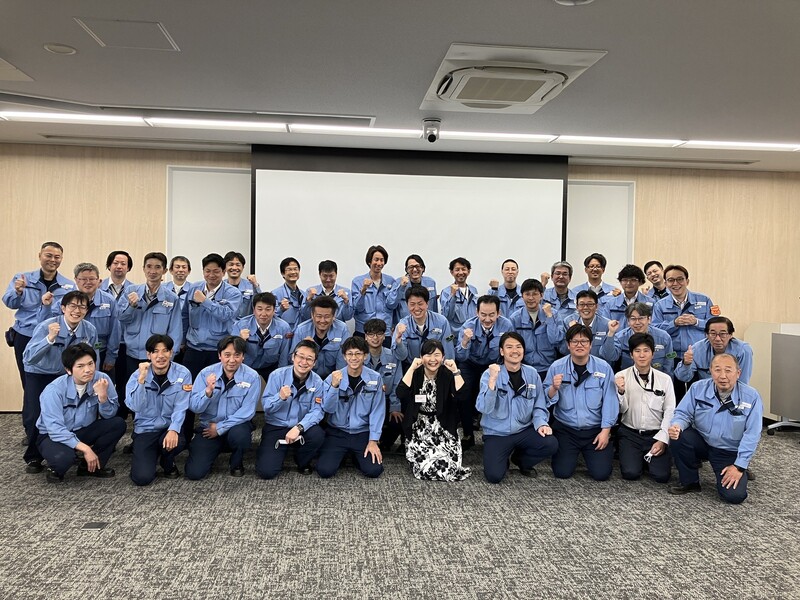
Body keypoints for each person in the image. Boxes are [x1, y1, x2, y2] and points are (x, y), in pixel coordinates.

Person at [668, 354, 763, 504]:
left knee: (734, 496)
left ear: (738, 373)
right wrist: (677, 425)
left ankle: (740, 470)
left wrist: (739, 466)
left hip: (728, 451)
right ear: (711, 371)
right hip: (703, 442)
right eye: (717, 370)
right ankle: (689, 481)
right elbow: (683, 413)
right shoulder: (697, 388)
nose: (723, 376)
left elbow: (752, 434)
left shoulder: (751, 397)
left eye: (728, 370)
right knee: (678, 435)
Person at [22, 290, 98, 473]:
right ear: (63, 308)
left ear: (86, 311)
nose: (77, 310)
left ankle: (65, 447)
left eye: (82, 307)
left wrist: (94, 379)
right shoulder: (47, 326)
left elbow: (94, 358)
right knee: (35, 415)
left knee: (70, 412)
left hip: (69, 376)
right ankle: (34, 456)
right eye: (73, 306)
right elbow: (28, 357)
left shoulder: (89, 330)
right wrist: (49, 339)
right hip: (41, 373)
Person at [35, 343, 126, 482]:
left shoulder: (102, 380)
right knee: (63, 459)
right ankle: (55, 466)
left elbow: (109, 415)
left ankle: (89, 467)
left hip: (82, 430)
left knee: (118, 424)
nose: (88, 370)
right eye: (80, 366)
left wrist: (102, 397)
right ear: (68, 370)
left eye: (91, 364)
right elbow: (55, 429)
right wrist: (86, 449)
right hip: (53, 435)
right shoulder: (53, 390)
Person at [476, 332, 558, 483]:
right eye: (509, 347)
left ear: (524, 350)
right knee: (494, 476)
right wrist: (493, 381)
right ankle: (502, 460)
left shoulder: (532, 373)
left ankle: (521, 460)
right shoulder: (489, 374)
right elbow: (483, 408)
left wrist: (541, 424)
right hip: (497, 433)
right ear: (502, 351)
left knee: (550, 443)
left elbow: (539, 405)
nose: (515, 351)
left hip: (523, 430)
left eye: (518, 347)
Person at [545, 324, 619, 481]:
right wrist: (553, 388)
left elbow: (610, 401)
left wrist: (606, 431)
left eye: (584, 341)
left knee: (601, 474)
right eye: (575, 341)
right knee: (562, 473)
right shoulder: (556, 367)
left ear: (591, 344)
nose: (580, 345)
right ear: (568, 345)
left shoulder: (604, 368)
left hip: (595, 430)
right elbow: (544, 399)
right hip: (566, 429)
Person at [117, 252, 183, 416]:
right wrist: (131, 306)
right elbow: (121, 318)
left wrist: (170, 355)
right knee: (133, 391)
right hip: (133, 354)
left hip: (157, 356)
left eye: (157, 267)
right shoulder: (131, 291)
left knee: (154, 393)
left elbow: (175, 329)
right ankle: (134, 426)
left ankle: (152, 424)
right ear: (143, 269)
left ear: (165, 270)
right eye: (149, 267)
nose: (153, 271)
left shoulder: (171, 298)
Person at [185, 336, 260, 479]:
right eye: (227, 355)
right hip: (208, 428)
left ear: (243, 356)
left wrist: (220, 428)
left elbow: (247, 412)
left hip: (235, 426)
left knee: (241, 435)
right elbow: (195, 407)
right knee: (194, 473)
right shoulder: (205, 373)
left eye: (237, 355)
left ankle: (236, 462)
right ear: (219, 355)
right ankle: (212, 451)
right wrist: (208, 392)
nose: (232, 360)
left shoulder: (252, 377)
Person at [3, 241, 75, 389]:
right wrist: (17, 292)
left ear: (61, 259)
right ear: (39, 256)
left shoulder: (68, 285)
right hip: (26, 335)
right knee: (28, 380)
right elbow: (9, 303)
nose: (53, 260)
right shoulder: (23, 279)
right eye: (48, 255)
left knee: (54, 380)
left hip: (54, 336)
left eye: (57, 257)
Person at [396, 340, 470, 481]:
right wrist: (411, 368)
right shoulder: (416, 373)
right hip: (420, 426)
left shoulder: (447, 374)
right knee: (425, 470)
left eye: (437, 355)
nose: (432, 359)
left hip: (443, 425)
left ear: (443, 357)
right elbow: (401, 393)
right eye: (428, 355)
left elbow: (463, 396)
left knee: (449, 470)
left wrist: (456, 372)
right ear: (421, 357)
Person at [125, 334, 191, 485]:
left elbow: (181, 406)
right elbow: (134, 407)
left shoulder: (183, 373)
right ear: (148, 355)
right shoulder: (137, 375)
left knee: (179, 442)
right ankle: (152, 455)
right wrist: (141, 380)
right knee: (142, 478)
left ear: (171, 352)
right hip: (146, 429)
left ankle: (167, 461)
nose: (161, 356)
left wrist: (174, 429)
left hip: (169, 427)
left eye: (165, 350)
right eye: (155, 351)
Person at [256, 340, 326, 478]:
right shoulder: (277, 375)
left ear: (314, 363)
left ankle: (301, 460)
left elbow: (317, 411)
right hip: (277, 425)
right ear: (293, 357)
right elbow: (267, 407)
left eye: (309, 359)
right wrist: (280, 398)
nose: (304, 362)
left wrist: (299, 427)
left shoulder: (318, 382)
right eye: (300, 356)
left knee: (318, 435)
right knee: (266, 472)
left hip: (302, 426)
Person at [318, 337, 386, 478]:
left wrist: (373, 441)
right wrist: (334, 387)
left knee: (374, 471)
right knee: (325, 471)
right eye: (350, 354)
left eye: (358, 353)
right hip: (337, 432)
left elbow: (377, 411)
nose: (354, 358)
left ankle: (355, 457)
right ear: (344, 356)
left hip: (362, 433)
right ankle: (344, 455)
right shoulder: (333, 377)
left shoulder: (375, 378)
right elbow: (328, 408)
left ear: (365, 356)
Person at [613, 333, 675, 483]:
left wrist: (662, 439)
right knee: (630, 473)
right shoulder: (621, 376)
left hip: (655, 434)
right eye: (637, 351)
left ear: (653, 354)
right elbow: (620, 411)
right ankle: (638, 458)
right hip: (630, 433)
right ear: (631, 354)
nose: (642, 355)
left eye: (646, 351)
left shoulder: (665, 379)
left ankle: (650, 458)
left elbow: (670, 411)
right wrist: (621, 392)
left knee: (661, 477)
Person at [455, 295, 514, 450]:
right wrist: (465, 341)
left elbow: (510, 350)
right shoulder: (468, 326)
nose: (487, 319)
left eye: (491, 315)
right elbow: (460, 357)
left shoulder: (506, 325)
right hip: (470, 363)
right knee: (463, 393)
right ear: (477, 312)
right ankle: (468, 434)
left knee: (497, 393)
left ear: (498, 313)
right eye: (483, 314)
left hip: (495, 364)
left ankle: (492, 434)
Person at [652, 265, 716, 399]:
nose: (675, 283)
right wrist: (674, 323)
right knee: (675, 396)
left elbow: (716, 325)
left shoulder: (704, 300)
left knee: (702, 395)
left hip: (700, 356)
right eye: (671, 280)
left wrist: (697, 322)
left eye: (680, 279)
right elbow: (655, 330)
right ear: (666, 283)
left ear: (687, 281)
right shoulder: (660, 305)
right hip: (673, 357)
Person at [182, 253, 242, 377]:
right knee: (189, 384)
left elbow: (226, 315)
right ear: (203, 271)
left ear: (223, 272)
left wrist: (205, 301)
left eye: (216, 271)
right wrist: (182, 341)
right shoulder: (194, 288)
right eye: (207, 271)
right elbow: (185, 316)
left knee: (215, 385)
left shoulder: (233, 293)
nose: (211, 275)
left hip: (217, 351)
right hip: (193, 349)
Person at [69, 262, 120, 375]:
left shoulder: (109, 301)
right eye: (83, 279)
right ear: (76, 280)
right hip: (73, 355)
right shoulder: (66, 301)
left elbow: (115, 331)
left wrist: (111, 357)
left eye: (92, 279)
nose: (88, 282)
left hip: (101, 353)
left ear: (98, 280)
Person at [230, 291, 291, 382]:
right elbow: (232, 352)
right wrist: (240, 340)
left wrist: (281, 378)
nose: (263, 313)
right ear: (254, 310)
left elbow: (284, 356)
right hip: (247, 368)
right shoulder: (241, 325)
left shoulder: (283, 327)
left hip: (271, 368)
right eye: (259, 309)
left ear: (274, 310)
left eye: (268, 309)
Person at [362, 319, 403, 453]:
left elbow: (397, 383)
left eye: (379, 334)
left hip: (386, 400)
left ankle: (385, 443)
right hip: (364, 402)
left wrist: (395, 407)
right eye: (371, 334)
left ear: (384, 336)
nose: (375, 338)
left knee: (397, 420)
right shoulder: (359, 357)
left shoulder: (393, 356)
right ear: (365, 337)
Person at [601, 302, 675, 376]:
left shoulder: (664, 337)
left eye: (641, 318)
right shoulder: (620, 338)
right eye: (633, 319)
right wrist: (611, 333)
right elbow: (609, 356)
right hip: (628, 379)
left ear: (649, 319)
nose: (637, 322)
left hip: (657, 379)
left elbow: (669, 362)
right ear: (628, 321)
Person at [675, 316, 753, 385]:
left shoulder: (743, 350)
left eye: (722, 334)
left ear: (730, 335)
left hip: (733, 391)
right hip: (706, 391)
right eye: (713, 334)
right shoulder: (697, 349)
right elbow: (683, 378)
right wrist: (686, 363)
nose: (717, 339)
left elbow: (743, 382)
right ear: (706, 335)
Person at [508, 278, 561, 381]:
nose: (531, 298)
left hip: (549, 367)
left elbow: (555, 340)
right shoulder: (515, 318)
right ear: (522, 296)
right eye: (527, 294)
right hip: (524, 368)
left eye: (535, 294)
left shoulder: (553, 314)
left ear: (542, 295)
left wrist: (549, 317)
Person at [392, 285, 454, 368]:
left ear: (427, 304)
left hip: (436, 367)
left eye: (420, 304)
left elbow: (448, 347)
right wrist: (398, 341)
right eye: (412, 304)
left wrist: (448, 370)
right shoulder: (402, 326)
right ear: (407, 305)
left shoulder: (442, 322)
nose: (416, 308)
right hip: (412, 367)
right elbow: (401, 357)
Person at [291, 295, 349, 379]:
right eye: (318, 316)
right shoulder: (301, 330)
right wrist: (304, 347)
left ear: (334, 316)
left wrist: (337, 382)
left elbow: (343, 361)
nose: (322, 320)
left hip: (333, 377)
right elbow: (292, 359)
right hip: (307, 377)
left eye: (327, 316)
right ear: (312, 315)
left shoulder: (342, 329)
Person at [351, 244, 396, 340]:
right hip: (363, 332)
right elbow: (356, 308)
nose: (379, 263)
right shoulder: (357, 281)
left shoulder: (391, 281)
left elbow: (394, 306)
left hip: (384, 333)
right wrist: (363, 290)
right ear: (369, 261)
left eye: (382, 260)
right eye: (376, 259)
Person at [558, 290, 616, 359]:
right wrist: (572, 332)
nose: (585, 308)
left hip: (600, 364)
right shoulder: (568, 321)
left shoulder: (607, 325)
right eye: (582, 304)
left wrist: (610, 334)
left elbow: (610, 355)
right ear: (577, 307)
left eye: (590, 304)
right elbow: (563, 351)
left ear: (596, 306)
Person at [598, 264, 652, 330]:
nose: (628, 283)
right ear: (620, 282)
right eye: (625, 280)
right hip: (616, 336)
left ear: (640, 282)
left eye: (633, 280)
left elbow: (653, 326)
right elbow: (604, 326)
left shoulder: (650, 303)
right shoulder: (610, 304)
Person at [387, 254, 439, 319]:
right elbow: (390, 305)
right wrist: (401, 287)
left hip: (427, 322)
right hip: (405, 323)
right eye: (411, 267)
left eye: (417, 266)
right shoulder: (398, 282)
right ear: (406, 270)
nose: (414, 270)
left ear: (422, 268)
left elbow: (434, 308)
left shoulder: (430, 283)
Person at [439, 257, 478, 339]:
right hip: (453, 336)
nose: (461, 272)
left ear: (468, 271)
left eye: (463, 269)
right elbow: (447, 316)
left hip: (472, 334)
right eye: (457, 270)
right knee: (448, 344)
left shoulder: (473, 290)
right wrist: (452, 296)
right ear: (452, 272)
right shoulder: (446, 292)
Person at [224, 251, 262, 319]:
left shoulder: (250, 285)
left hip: (245, 323)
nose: (234, 268)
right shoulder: (220, 286)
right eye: (231, 264)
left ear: (243, 267)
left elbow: (260, 303)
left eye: (238, 265)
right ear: (225, 267)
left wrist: (255, 284)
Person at [272, 257, 305, 329]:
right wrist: (280, 309)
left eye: (295, 269)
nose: (293, 272)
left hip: (301, 333)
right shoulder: (275, 294)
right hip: (283, 332)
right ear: (283, 273)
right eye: (289, 269)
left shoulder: (304, 295)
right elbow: (269, 317)